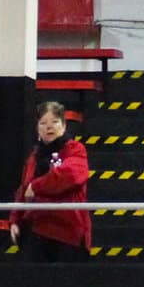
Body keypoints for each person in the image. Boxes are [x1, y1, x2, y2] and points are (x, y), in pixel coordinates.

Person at [10, 100, 91, 261]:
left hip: (68, 233)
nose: (49, 127)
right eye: (43, 123)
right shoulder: (33, 157)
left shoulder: (75, 149)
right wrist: (15, 219)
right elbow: (24, 189)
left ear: (64, 125)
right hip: (36, 230)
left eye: (55, 122)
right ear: (37, 128)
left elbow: (71, 176)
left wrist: (37, 186)